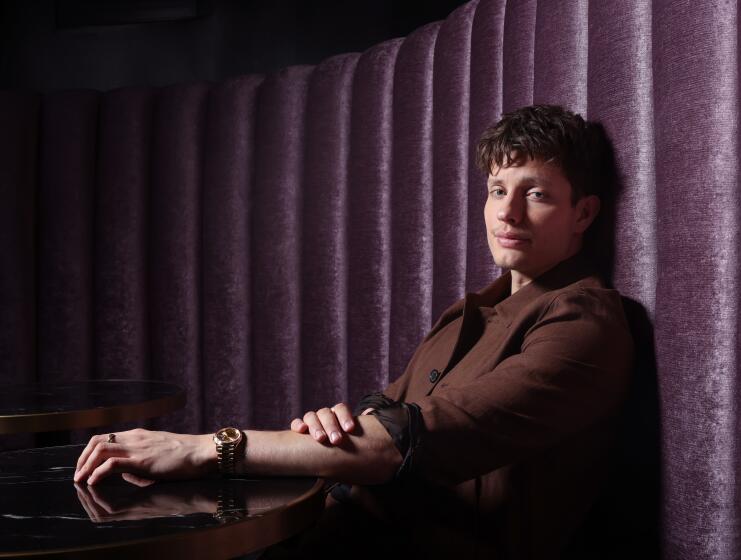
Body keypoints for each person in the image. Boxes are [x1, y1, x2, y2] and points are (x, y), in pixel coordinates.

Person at [74, 105, 633, 559]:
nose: (507, 213)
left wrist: (203, 448)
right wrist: (337, 427)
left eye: (535, 193)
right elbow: (380, 416)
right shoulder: (473, 310)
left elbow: (402, 441)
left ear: (583, 213)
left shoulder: (585, 322)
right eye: (496, 189)